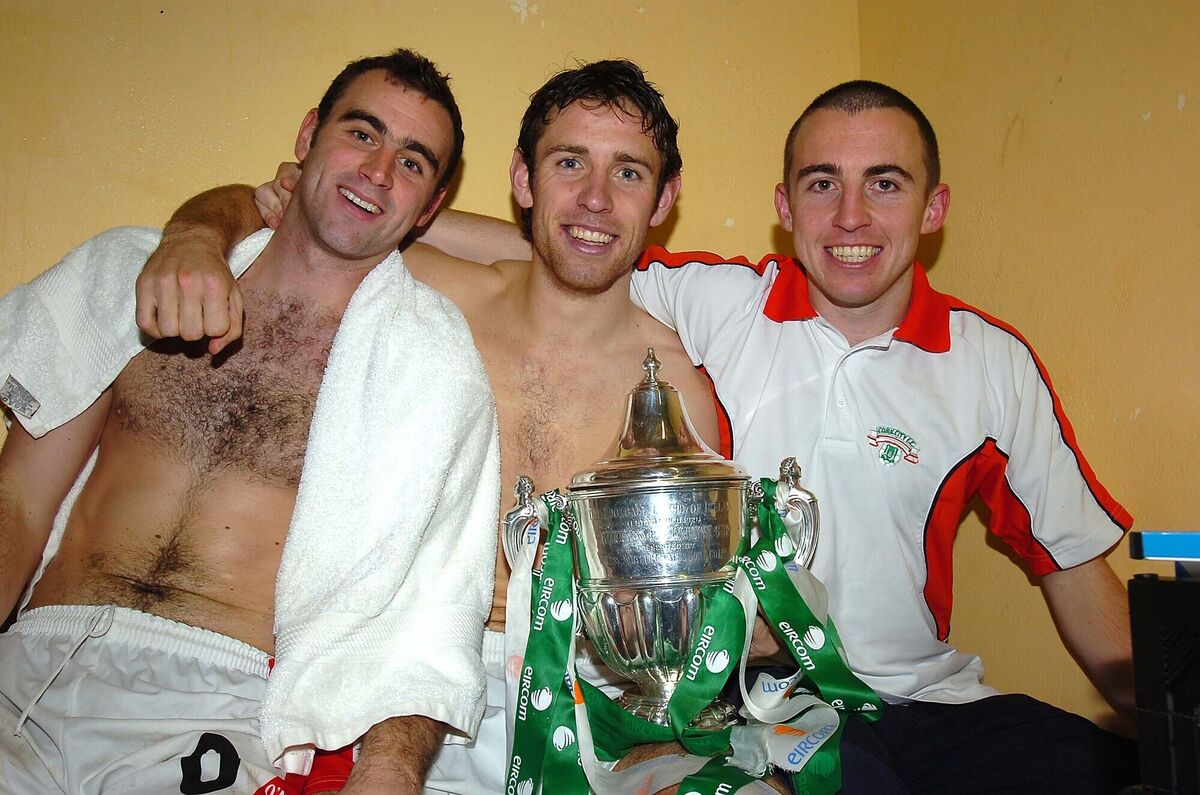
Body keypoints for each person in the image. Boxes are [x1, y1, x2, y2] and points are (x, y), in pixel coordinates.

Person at [244, 79, 1143, 792]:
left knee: (1110, 768)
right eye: (823, 184)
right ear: (784, 205)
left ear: (934, 206)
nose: (853, 218)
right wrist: (291, 213)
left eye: (886, 185)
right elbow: (572, 247)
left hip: (932, 694)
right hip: (772, 698)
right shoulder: (714, 302)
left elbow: (1073, 569)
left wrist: (1163, 714)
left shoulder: (992, 364)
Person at [0, 49, 500, 794]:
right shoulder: (138, 274)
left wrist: (387, 774)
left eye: (413, 163)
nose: (377, 172)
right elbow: (19, 502)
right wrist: (194, 231)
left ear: (429, 209)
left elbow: (429, 616)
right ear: (307, 137)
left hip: (213, 704)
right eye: (362, 134)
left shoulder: (430, 365)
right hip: (31, 666)